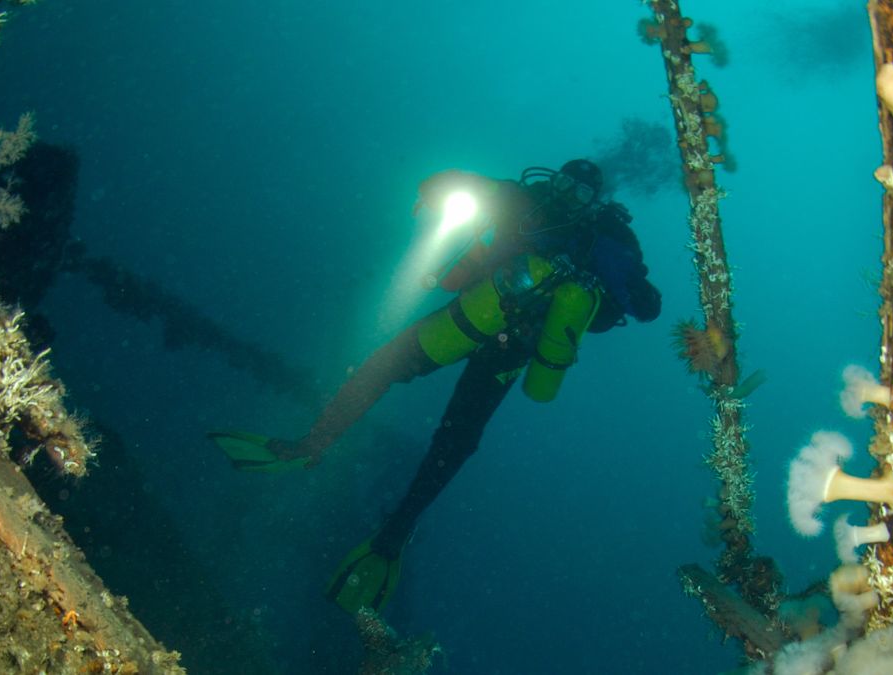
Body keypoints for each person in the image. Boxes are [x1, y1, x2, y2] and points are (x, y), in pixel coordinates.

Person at [210, 159, 662, 614]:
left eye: (581, 193)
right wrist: (434, 189)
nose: (568, 196)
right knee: (386, 370)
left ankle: (390, 537)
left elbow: (648, 304)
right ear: (552, 178)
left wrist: (623, 286)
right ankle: (310, 445)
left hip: (508, 348)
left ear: (595, 203)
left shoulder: (606, 236)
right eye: (564, 183)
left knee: (454, 439)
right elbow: (464, 184)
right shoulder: (523, 198)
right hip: (469, 316)